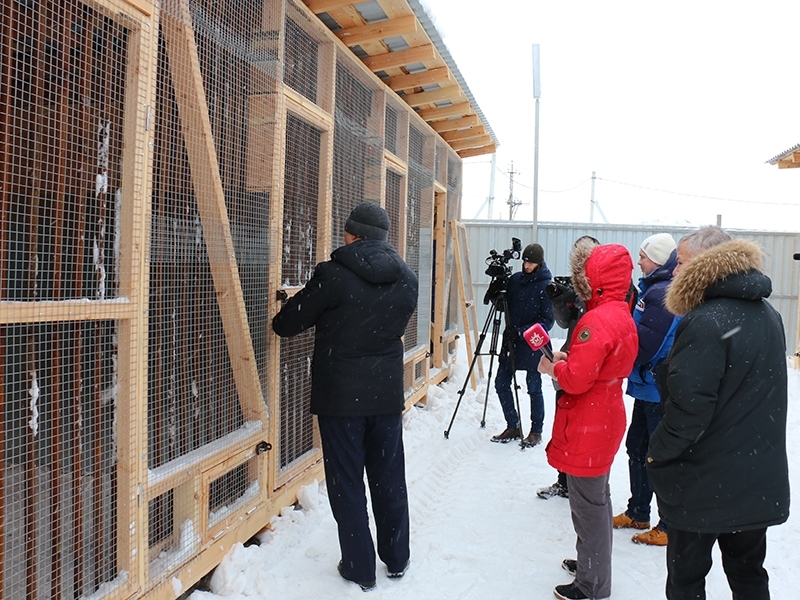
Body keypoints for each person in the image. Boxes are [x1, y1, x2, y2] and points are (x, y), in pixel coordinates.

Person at [272, 202, 418, 592]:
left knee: (347, 481)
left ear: (351, 234)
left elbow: (287, 324)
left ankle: (359, 567)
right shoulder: (407, 279)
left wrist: (291, 302)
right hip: (385, 395)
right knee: (389, 477)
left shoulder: (333, 275)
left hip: (340, 400)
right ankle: (397, 558)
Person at [647, 226, 789, 600]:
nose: (675, 271)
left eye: (681, 262)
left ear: (706, 264)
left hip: (703, 485)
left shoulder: (706, 320)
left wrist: (655, 452)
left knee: (686, 581)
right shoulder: (768, 314)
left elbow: (688, 410)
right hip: (755, 479)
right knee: (748, 576)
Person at [538, 241, 639, 600]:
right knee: (596, 500)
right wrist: (572, 357)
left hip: (588, 420)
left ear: (594, 278)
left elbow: (576, 379)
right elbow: (598, 364)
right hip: (604, 414)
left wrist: (554, 366)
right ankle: (591, 565)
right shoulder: (619, 312)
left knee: (588, 507)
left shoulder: (596, 319)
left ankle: (591, 584)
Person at [613, 233, 678, 546]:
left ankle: (667, 524)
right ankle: (638, 510)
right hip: (646, 385)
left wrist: (618, 359)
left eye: (643, 256)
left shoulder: (663, 293)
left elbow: (647, 344)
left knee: (656, 455)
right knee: (637, 448)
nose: (639, 261)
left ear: (659, 259)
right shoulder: (653, 288)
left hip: (655, 388)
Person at [537, 235, 598, 500]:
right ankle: (563, 480)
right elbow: (563, 323)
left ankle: (583, 485)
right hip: (570, 360)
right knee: (564, 425)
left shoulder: (605, 290)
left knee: (585, 430)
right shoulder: (578, 289)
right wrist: (560, 301)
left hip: (590, 366)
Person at [490, 242, 555, 447]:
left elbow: (548, 320)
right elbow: (502, 305)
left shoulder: (546, 286)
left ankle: (536, 431)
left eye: (531, 263)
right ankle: (513, 425)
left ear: (539, 263)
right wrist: (495, 288)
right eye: (525, 261)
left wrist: (522, 330)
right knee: (501, 383)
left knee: (534, 387)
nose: (527, 266)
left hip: (532, 342)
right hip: (510, 340)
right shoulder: (516, 280)